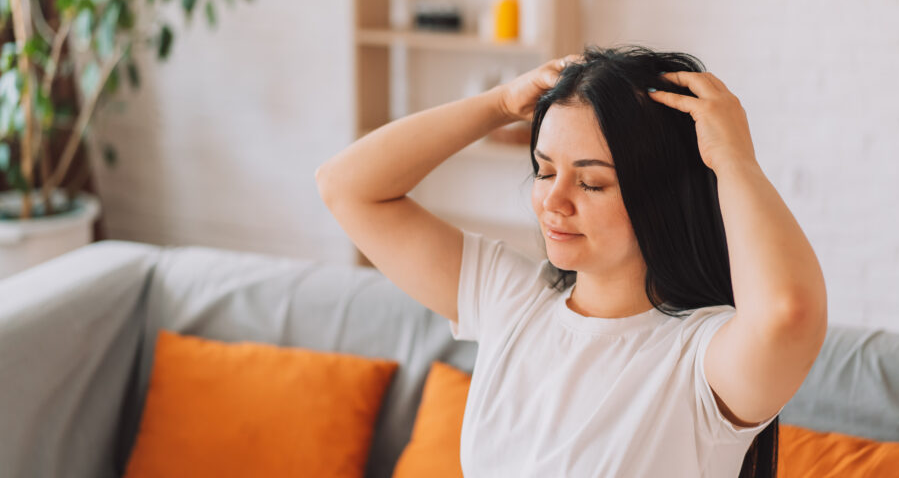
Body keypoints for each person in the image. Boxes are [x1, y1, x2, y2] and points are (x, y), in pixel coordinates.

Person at [315, 44, 827, 477]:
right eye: (544, 171)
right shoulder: (512, 299)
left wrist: (733, 160)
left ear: (663, 198)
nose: (553, 201)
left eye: (591, 182)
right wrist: (499, 103)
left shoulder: (699, 361)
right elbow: (345, 186)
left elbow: (788, 313)